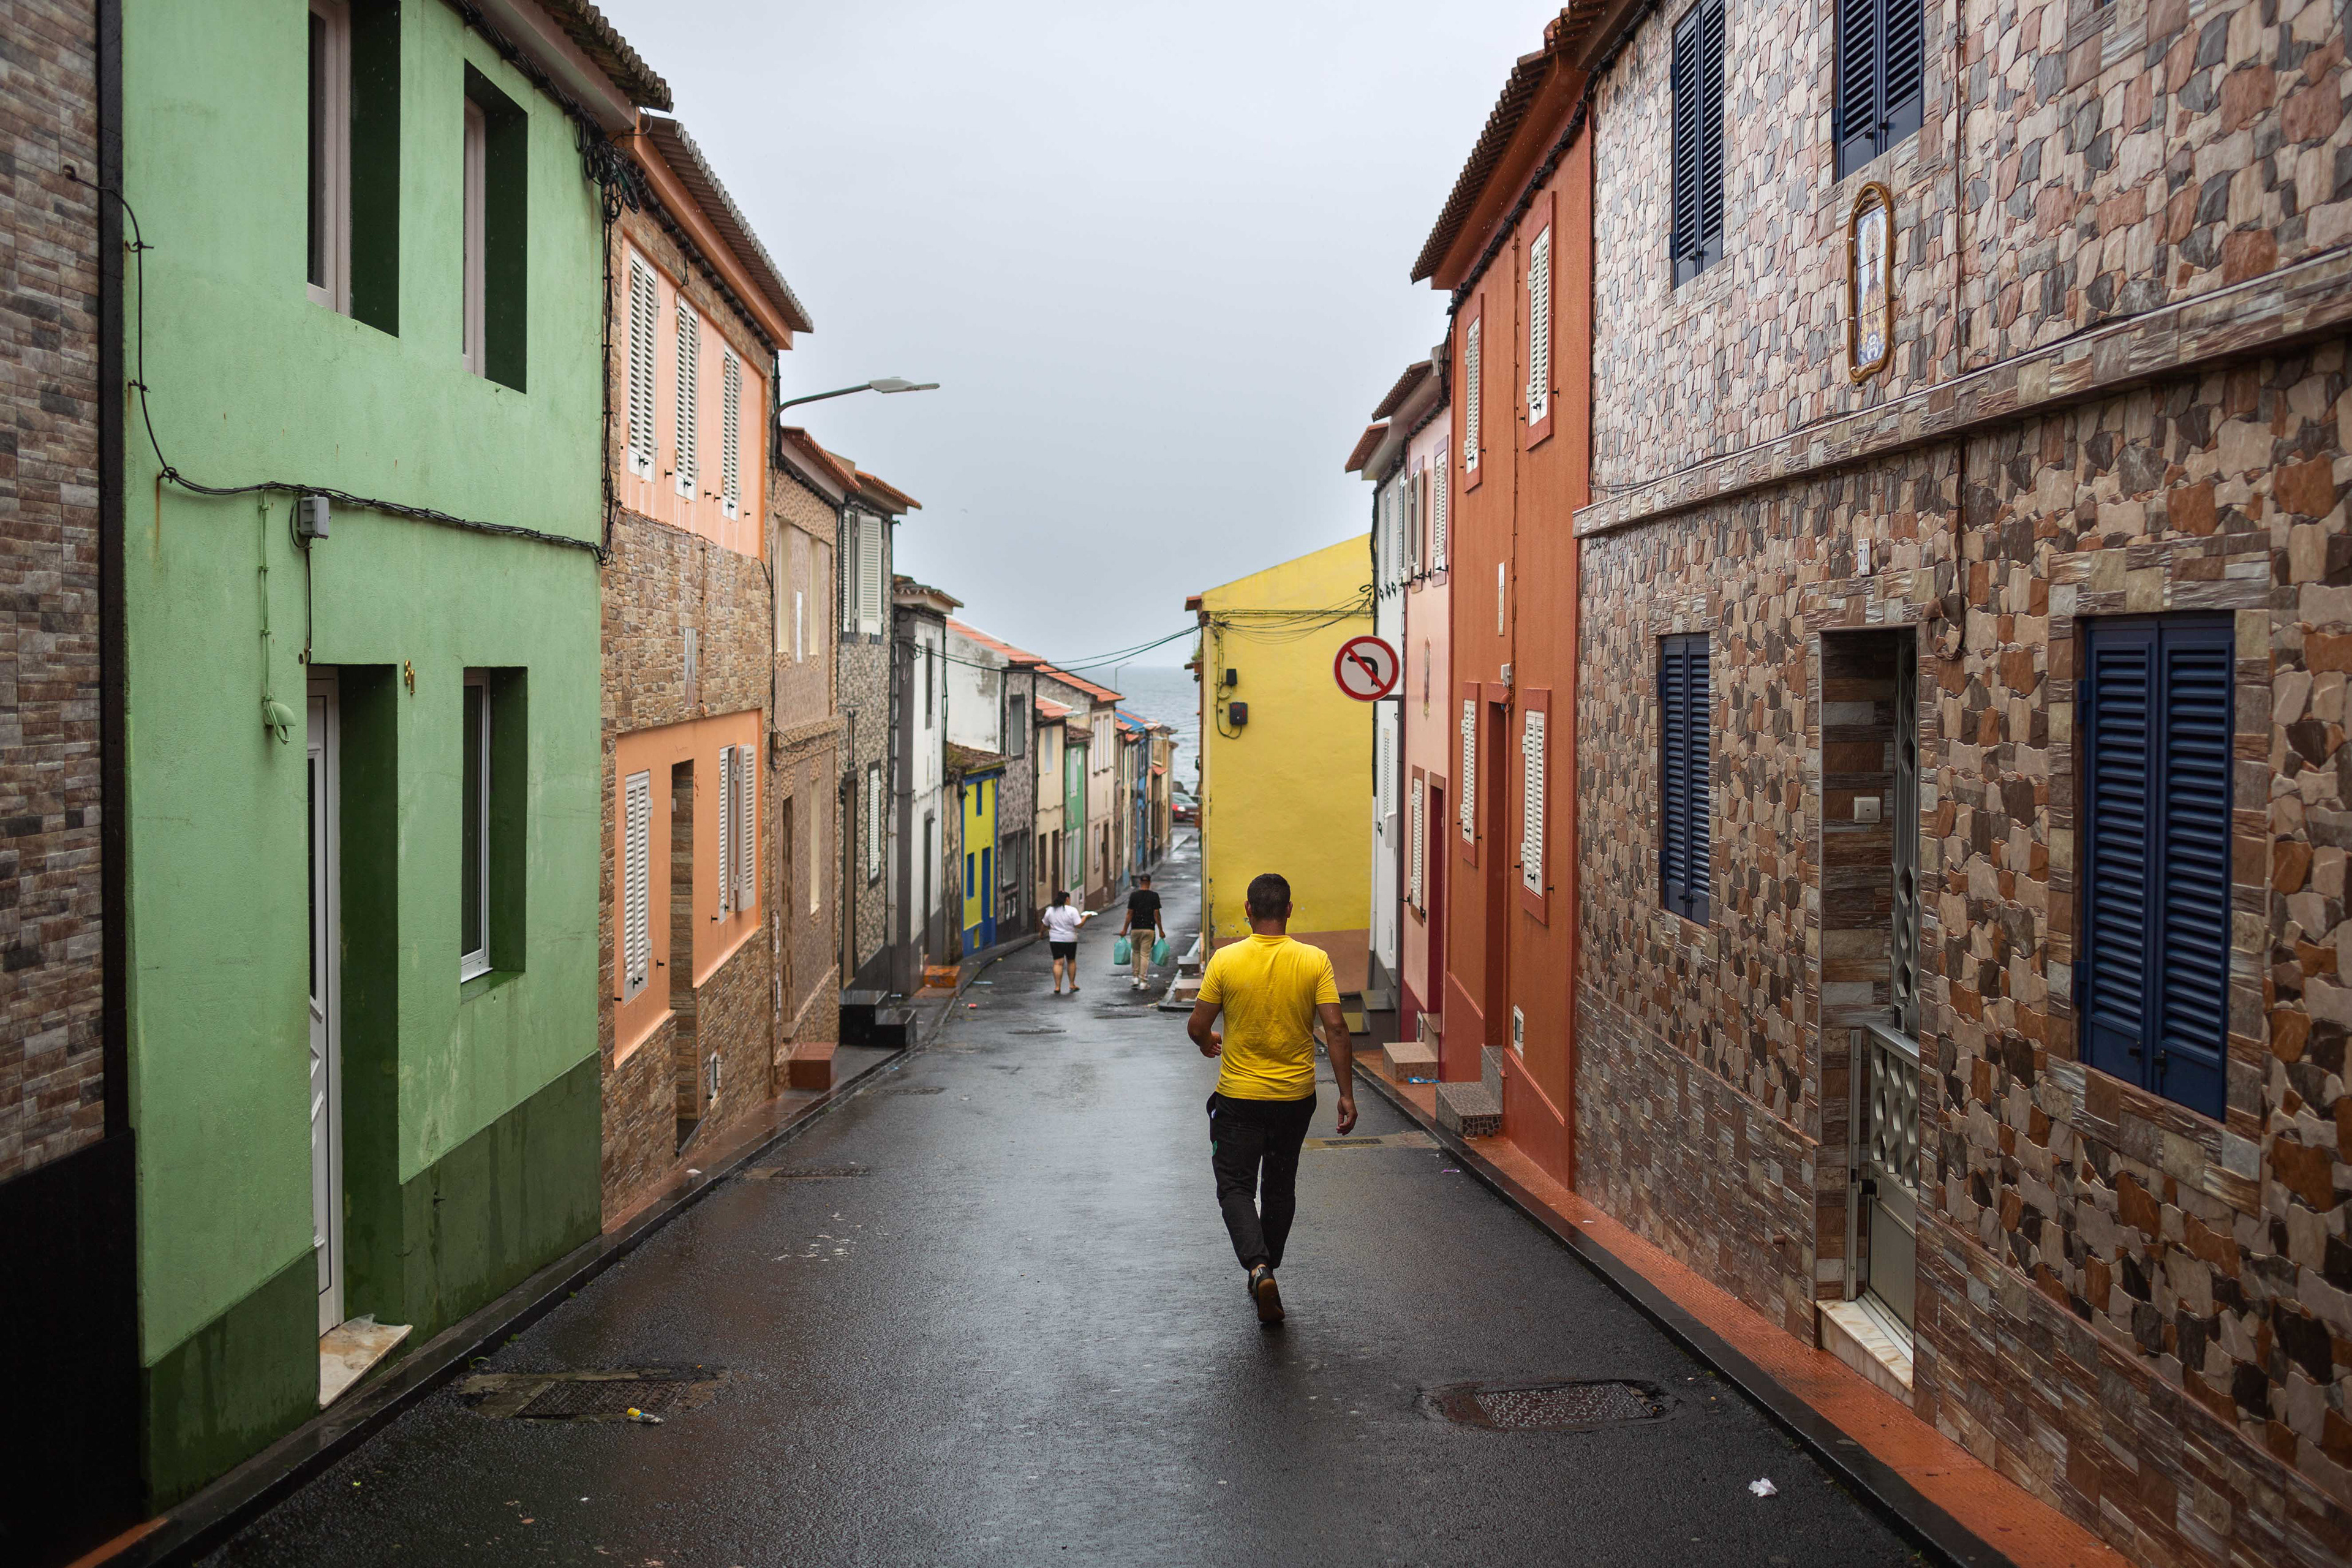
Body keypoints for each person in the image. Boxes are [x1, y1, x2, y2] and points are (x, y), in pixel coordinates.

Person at [1185, 872, 1355, 1324]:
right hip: (1295, 1097)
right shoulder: (1314, 960)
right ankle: (1269, 1269)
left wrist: (1207, 1043)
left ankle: (1257, 1267)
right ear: (1289, 910)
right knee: (1279, 1186)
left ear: (1248, 911)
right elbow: (1336, 1028)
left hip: (1239, 1098)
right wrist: (1346, 1094)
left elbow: (1198, 1026)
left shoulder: (1226, 960)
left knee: (1236, 1187)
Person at [1120, 873, 1164, 991]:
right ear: (1149, 883)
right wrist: (1161, 930)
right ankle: (1143, 982)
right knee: (1145, 955)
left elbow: (1130, 913)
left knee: (1135, 952)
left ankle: (1135, 978)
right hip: (1149, 929)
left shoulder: (1134, 896)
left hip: (1135, 929)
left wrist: (1125, 929)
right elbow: (1156, 914)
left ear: (1140, 883)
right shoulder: (1154, 896)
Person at [1039, 890, 1088, 995]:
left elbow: (1044, 924)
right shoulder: (1072, 910)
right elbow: (1079, 925)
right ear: (1067, 899)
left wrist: (1041, 934)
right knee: (1071, 961)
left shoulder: (1050, 910)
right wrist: (1086, 917)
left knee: (1058, 963)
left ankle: (1057, 987)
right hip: (1070, 939)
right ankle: (1071, 984)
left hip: (1055, 939)